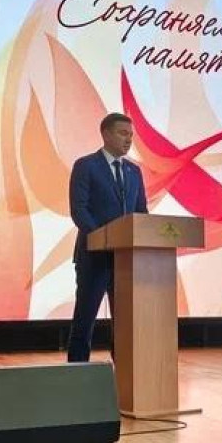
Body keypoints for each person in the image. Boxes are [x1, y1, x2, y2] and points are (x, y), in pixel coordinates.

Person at [67, 112, 148, 362]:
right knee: (85, 318)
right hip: (94, 256)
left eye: (131, 135)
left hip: (125, 260)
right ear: (106, 134)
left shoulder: (134, 171)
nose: (128, 139)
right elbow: (79, 210)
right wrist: (103, 238)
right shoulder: (86, 166)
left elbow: (141, 213)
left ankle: (124, 372)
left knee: (124, 322)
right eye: (123, 133)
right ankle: (77, 371)